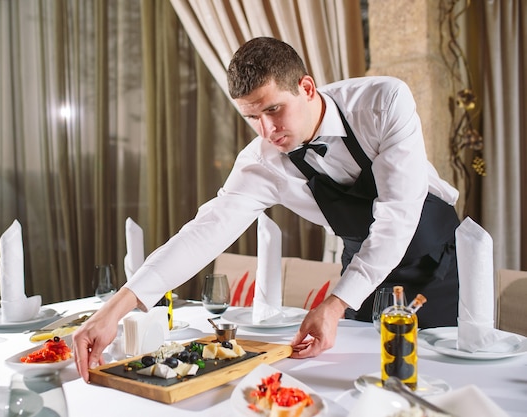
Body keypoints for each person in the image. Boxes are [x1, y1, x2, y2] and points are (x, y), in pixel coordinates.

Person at [73, 37, 460, 381]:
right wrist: (115, 309)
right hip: (362, 266)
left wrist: (337, 302)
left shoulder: (382, 102)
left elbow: (398, 217)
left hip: (432, 259)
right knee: (358, 378)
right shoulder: (262, 160)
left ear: (306, 88)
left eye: (274, 110)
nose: (267, 131)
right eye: (252, 117)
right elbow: (202, 234)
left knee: (434, 377)